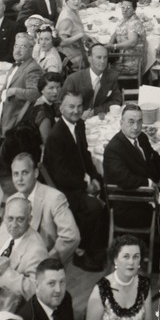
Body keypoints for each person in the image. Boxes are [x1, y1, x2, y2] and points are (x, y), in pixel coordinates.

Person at [42, 90, 107, 272]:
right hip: (65, 189)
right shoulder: (56, 135)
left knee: (106, 187)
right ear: (61, 107)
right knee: (92, 207)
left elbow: (85, 156)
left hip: (78, 179)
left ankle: (100, 244)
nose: (76, 111)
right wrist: (86, 185)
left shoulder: (79, 125)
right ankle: (82, 252)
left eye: (79, 106)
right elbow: (61, 175)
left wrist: (94, 177)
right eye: (71, 107)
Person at [82, 234, 152, 320]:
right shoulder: (101, 289)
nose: (131, 262)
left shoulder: (144, 285)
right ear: (115, 259)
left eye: (136, 257)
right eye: (126, 256)